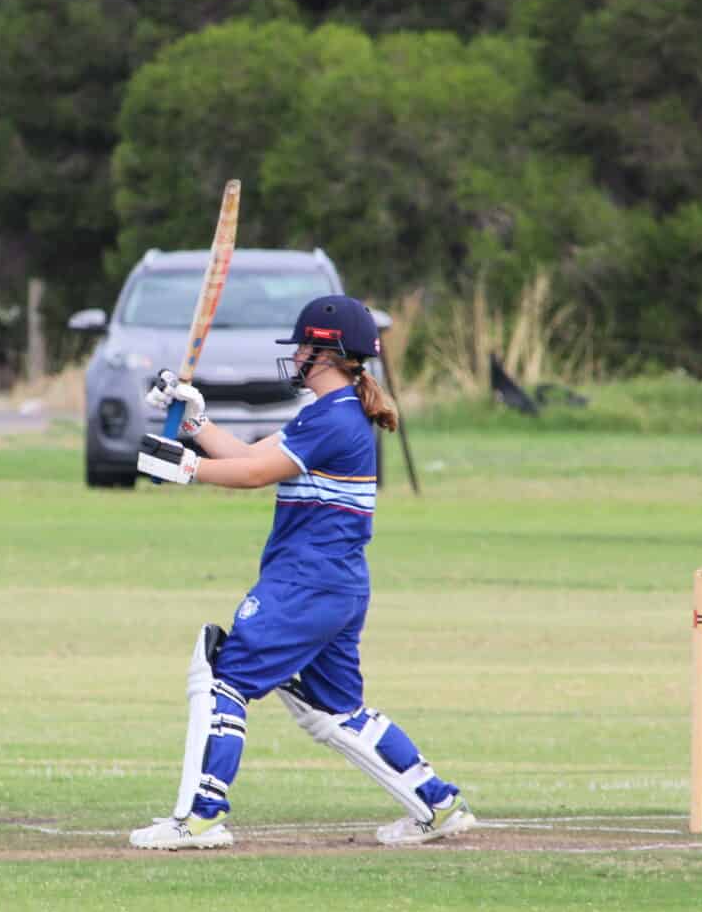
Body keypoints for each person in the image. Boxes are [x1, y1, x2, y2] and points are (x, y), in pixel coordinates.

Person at [128, 293, 476, 851]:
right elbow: (249, 455)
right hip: (334, 584)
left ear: (327, 352)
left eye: (301, 347)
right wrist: (196, 421)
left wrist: (185, 468)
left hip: (306, 583)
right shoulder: (331, 413)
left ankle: (199, 817)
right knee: (335, 712)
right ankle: (436, 803)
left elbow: (254, 475)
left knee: (222, 678)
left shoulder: (335, 418)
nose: (294, 356)